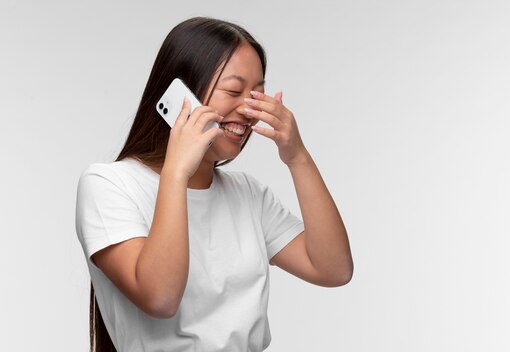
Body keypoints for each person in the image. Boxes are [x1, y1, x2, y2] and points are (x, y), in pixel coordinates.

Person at [74, 17, 353, 352]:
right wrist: (177, 173)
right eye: (234, 91)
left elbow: (334, 268)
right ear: (181, 95)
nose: (249, 110)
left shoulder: (247, 194)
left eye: (257, 95)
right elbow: (160, 298)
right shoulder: (109, 185)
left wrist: (297, 157)